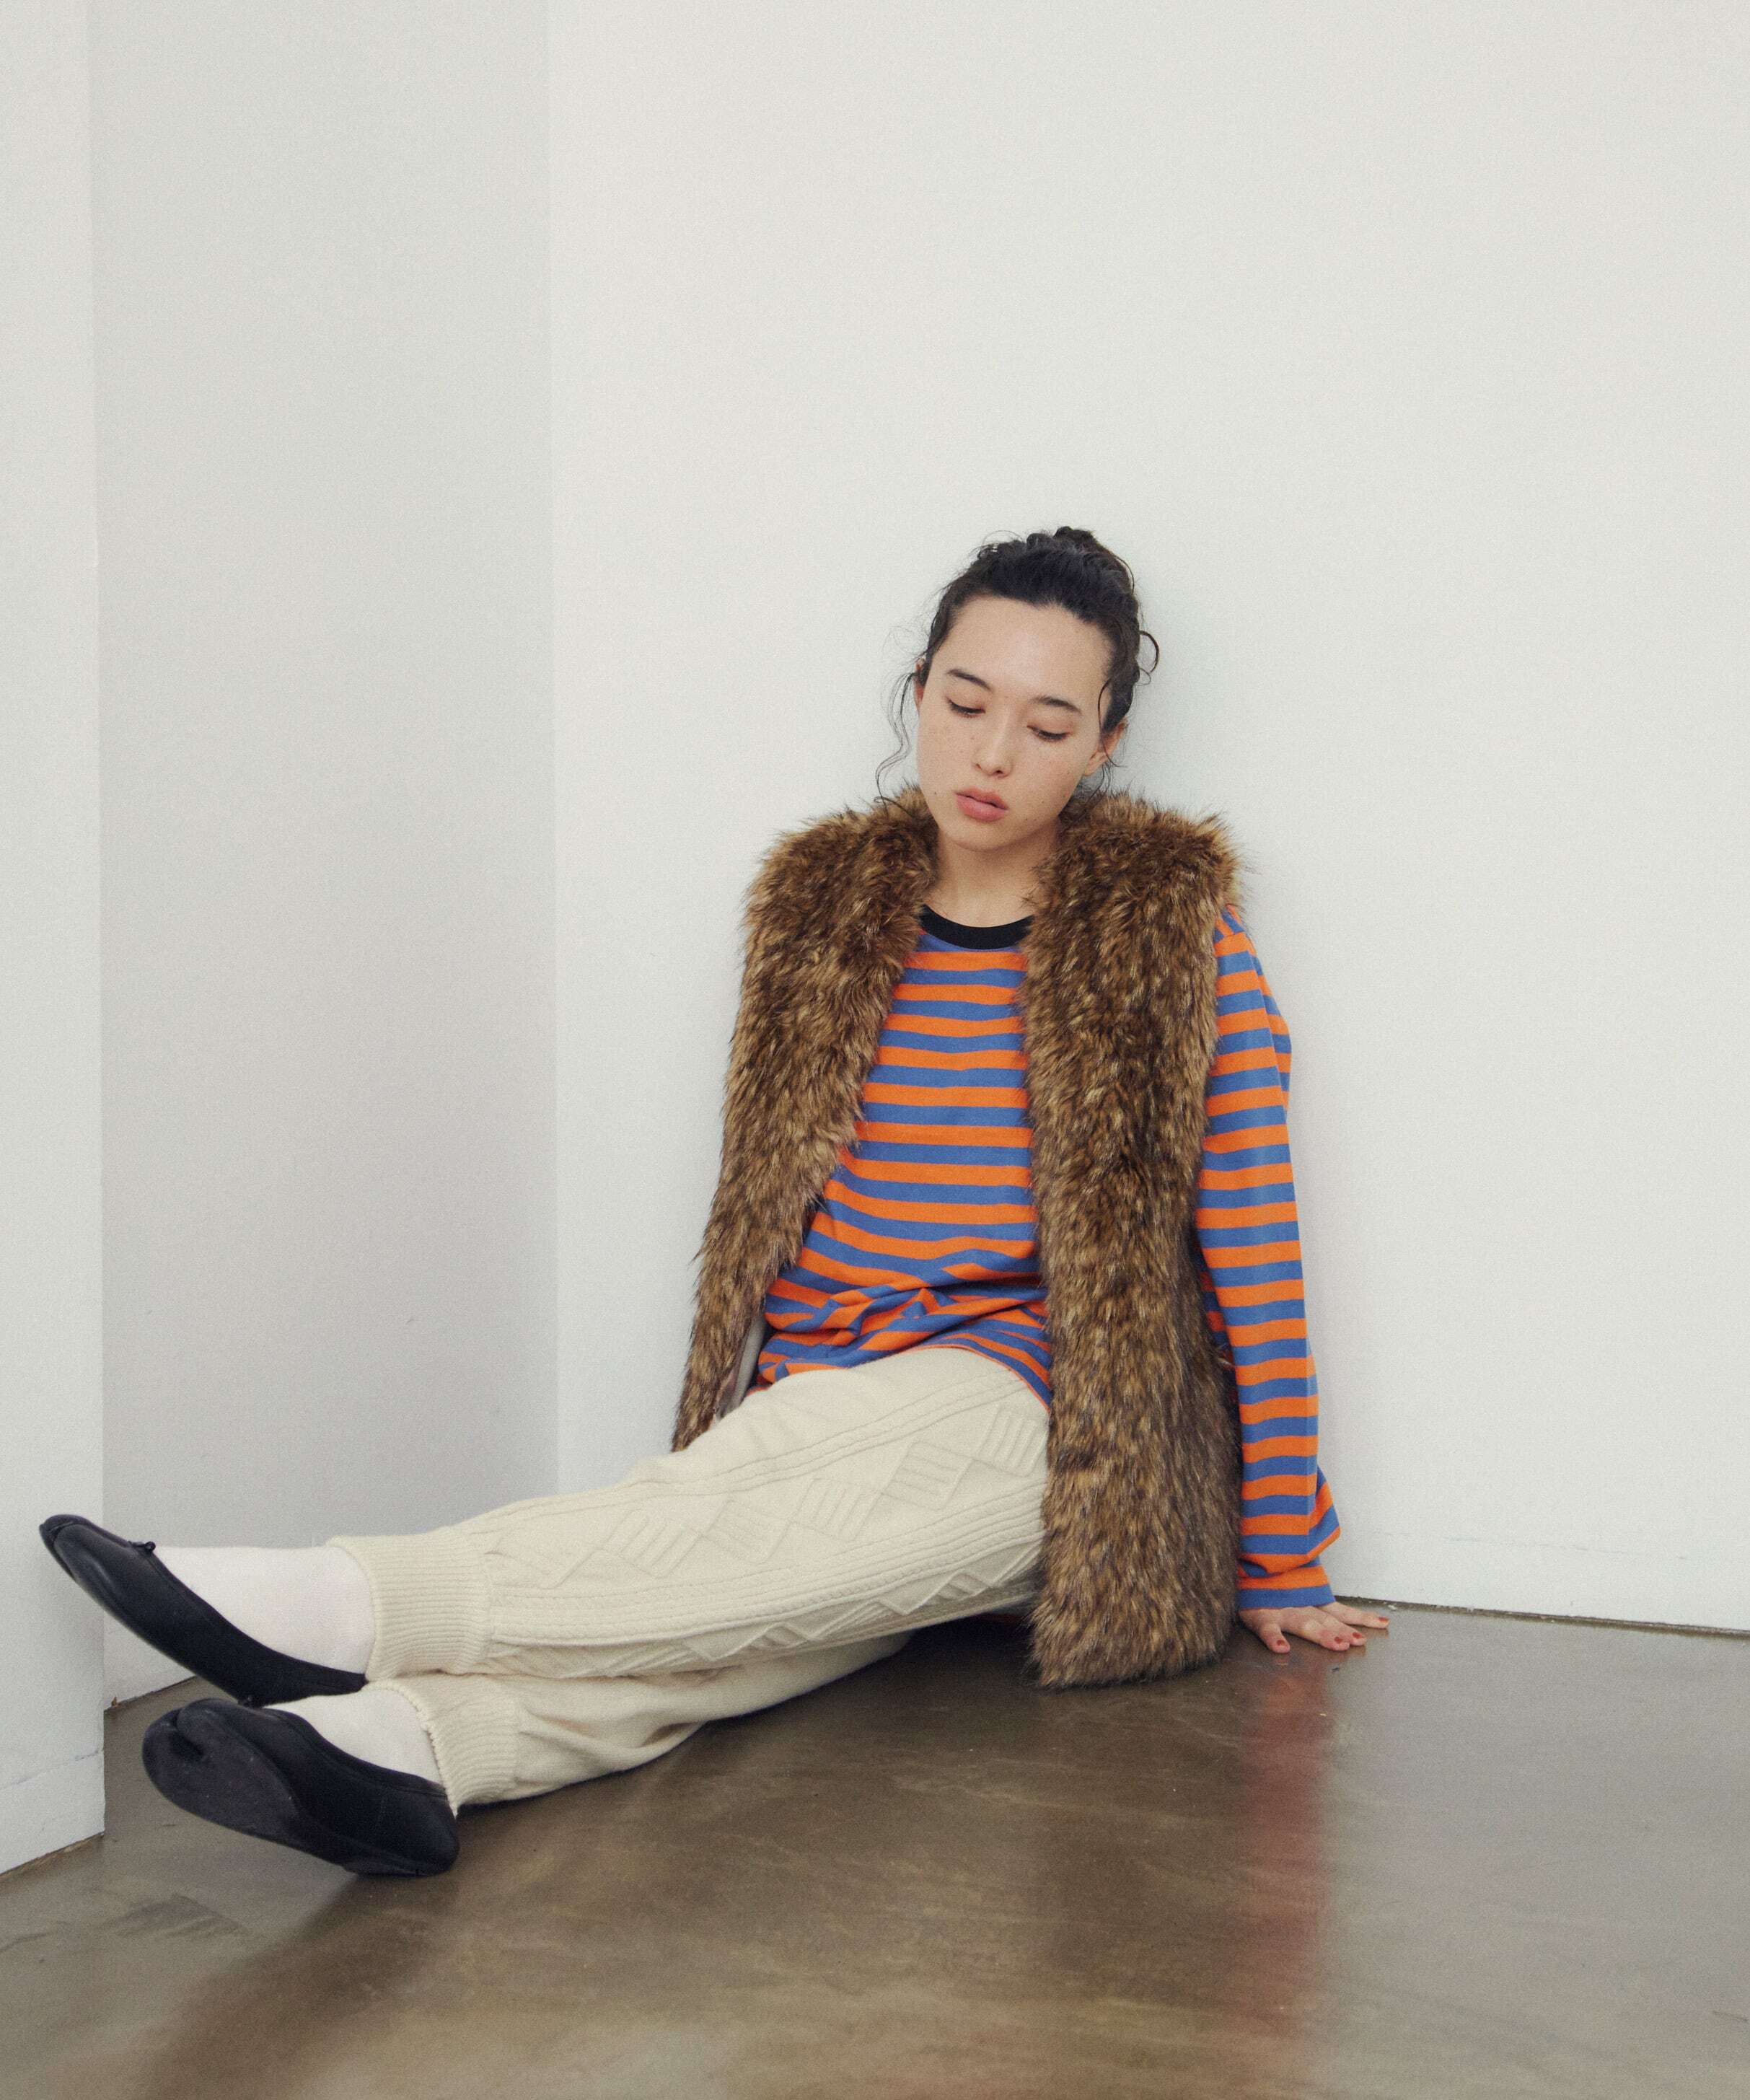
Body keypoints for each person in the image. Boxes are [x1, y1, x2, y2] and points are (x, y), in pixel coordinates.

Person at [41, 526, 1387, 1879]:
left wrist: (1281, 1548)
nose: (991, 755)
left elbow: (1253, 1249)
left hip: (1047, 1410)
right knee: (735, 1606)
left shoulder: (1176, 946)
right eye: (964, 702)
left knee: (741, 1547)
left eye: (1044, 727)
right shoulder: (822, 912)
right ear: (918, 689)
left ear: (1101, 746)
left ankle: (348, 1604)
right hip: (815, 1392)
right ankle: (411, 1750)